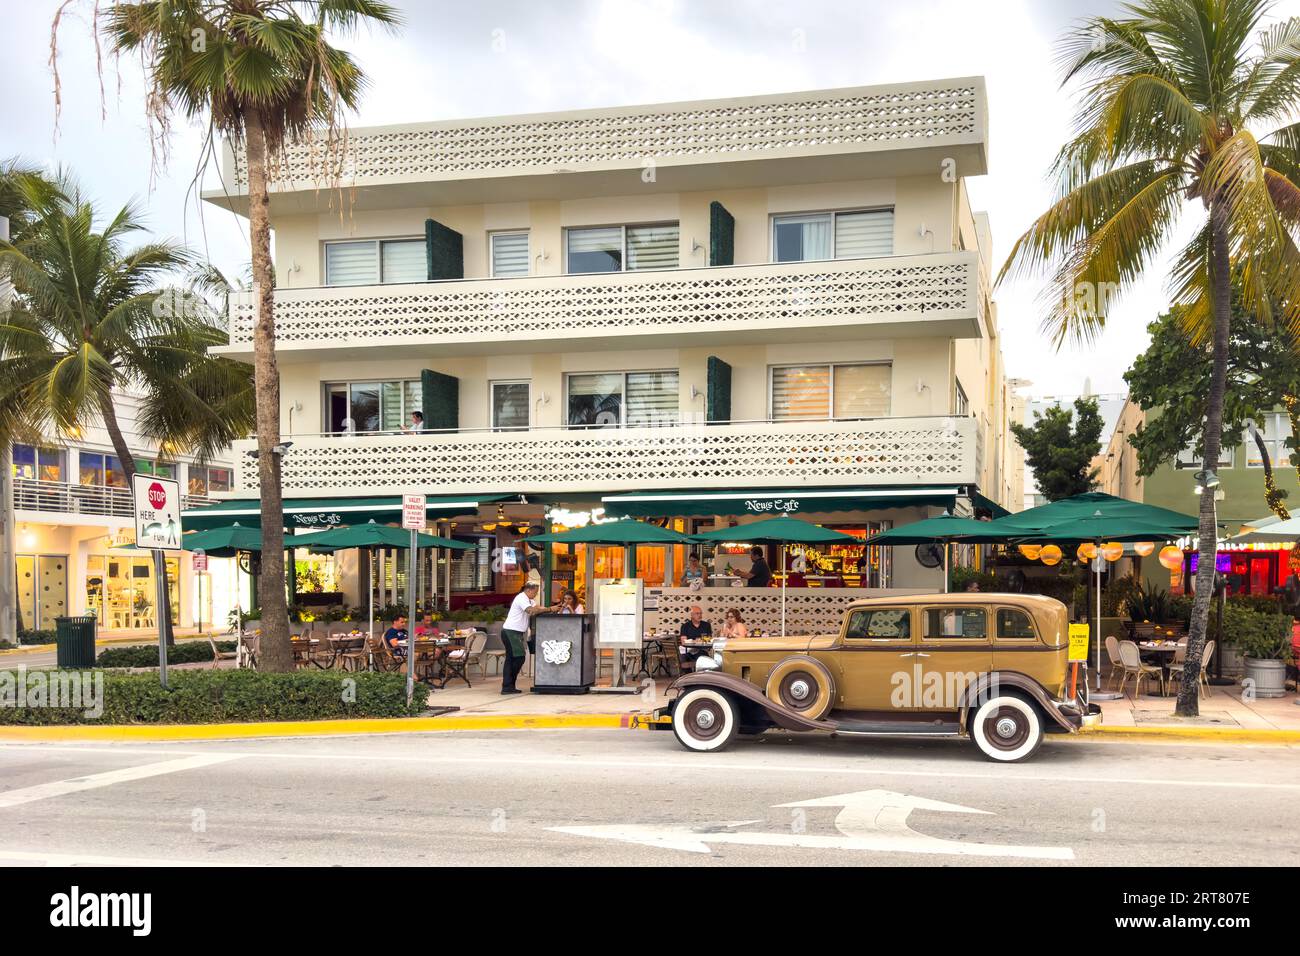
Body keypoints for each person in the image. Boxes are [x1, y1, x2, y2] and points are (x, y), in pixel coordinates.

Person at [501, 581, 545, 694]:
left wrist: (549, 608)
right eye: (535, 592)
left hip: (517, 633)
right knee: (518, 657)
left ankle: (509, 685)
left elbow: (537, 608)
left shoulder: (530, 600)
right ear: (529, 590)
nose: (536, 595)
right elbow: (531, 610)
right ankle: (507, 685)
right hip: (511, 632)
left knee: (513, 658)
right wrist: (549, 609)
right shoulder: (521, 598)